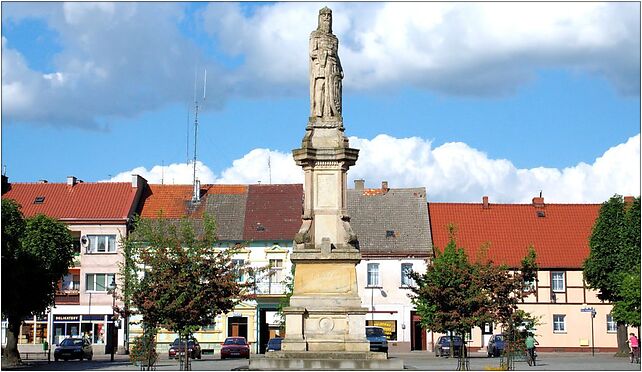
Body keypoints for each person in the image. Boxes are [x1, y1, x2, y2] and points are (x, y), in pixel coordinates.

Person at [309, 6, 343, 119]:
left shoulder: (334, 39)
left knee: (332, 91)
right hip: (321, 67)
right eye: (324, 15)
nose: (327, 18)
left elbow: (337, 55)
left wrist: (341, 69)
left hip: (333, 68)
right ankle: (318, 113)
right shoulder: (315, 35)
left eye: (329, 15)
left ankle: (331, 113)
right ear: (320, 18)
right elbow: (312, 52)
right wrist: (325, 52)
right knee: (320, 88)